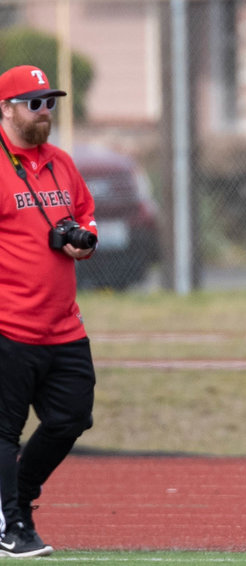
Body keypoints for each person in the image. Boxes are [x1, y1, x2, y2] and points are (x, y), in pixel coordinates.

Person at [0, 65, 99, 557]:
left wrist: (87, 240)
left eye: (50, 103)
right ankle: (12, 524)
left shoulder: (60, 161)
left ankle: (16, 494)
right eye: (33, 103)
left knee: (72, 417)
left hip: (63, 326)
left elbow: (85, 213)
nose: (44, 113)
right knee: (4, 429)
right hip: (9, 326)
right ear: (6, 108)